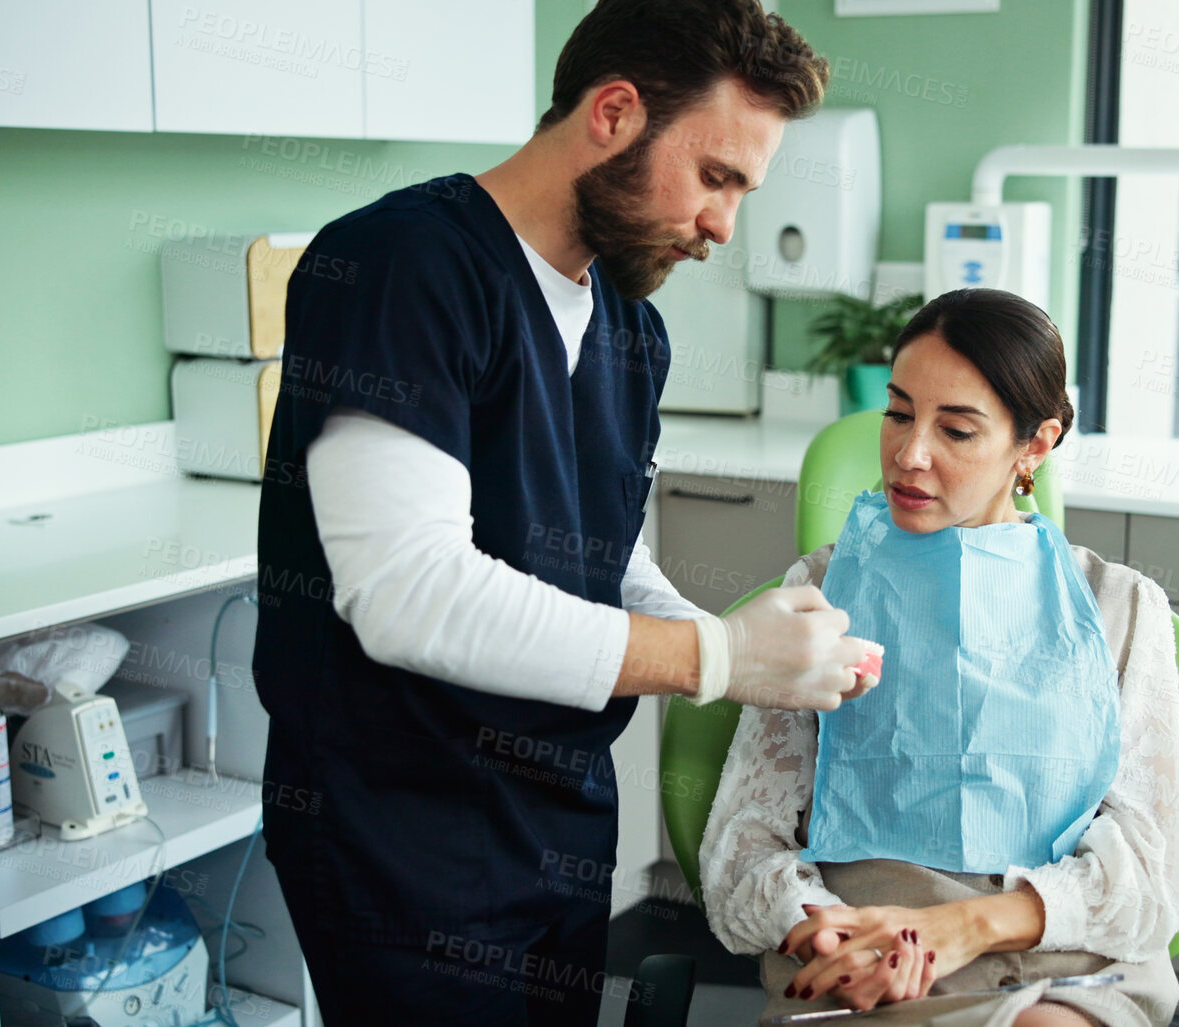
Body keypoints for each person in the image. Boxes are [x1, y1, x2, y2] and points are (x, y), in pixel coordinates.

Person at [249, 3, 877, 1023]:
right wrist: (714, 655)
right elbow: (408, 594)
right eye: (717, 177)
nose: (724, 225)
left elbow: (598, 545)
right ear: (616, 112)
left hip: (557, 817)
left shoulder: (631, 327)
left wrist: (757, 658)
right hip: (401, 837)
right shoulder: (403, 267)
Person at [700, 289, 1179, 1027]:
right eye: (898, 413)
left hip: (1058, 964)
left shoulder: (1117, 607)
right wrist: (828, 926)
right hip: (862, 958)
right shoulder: (817, 593)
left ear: (1033, 446)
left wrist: (973, 924)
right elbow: (743, 840)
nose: (909, 453)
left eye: (956, 429)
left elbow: (1153, 873)